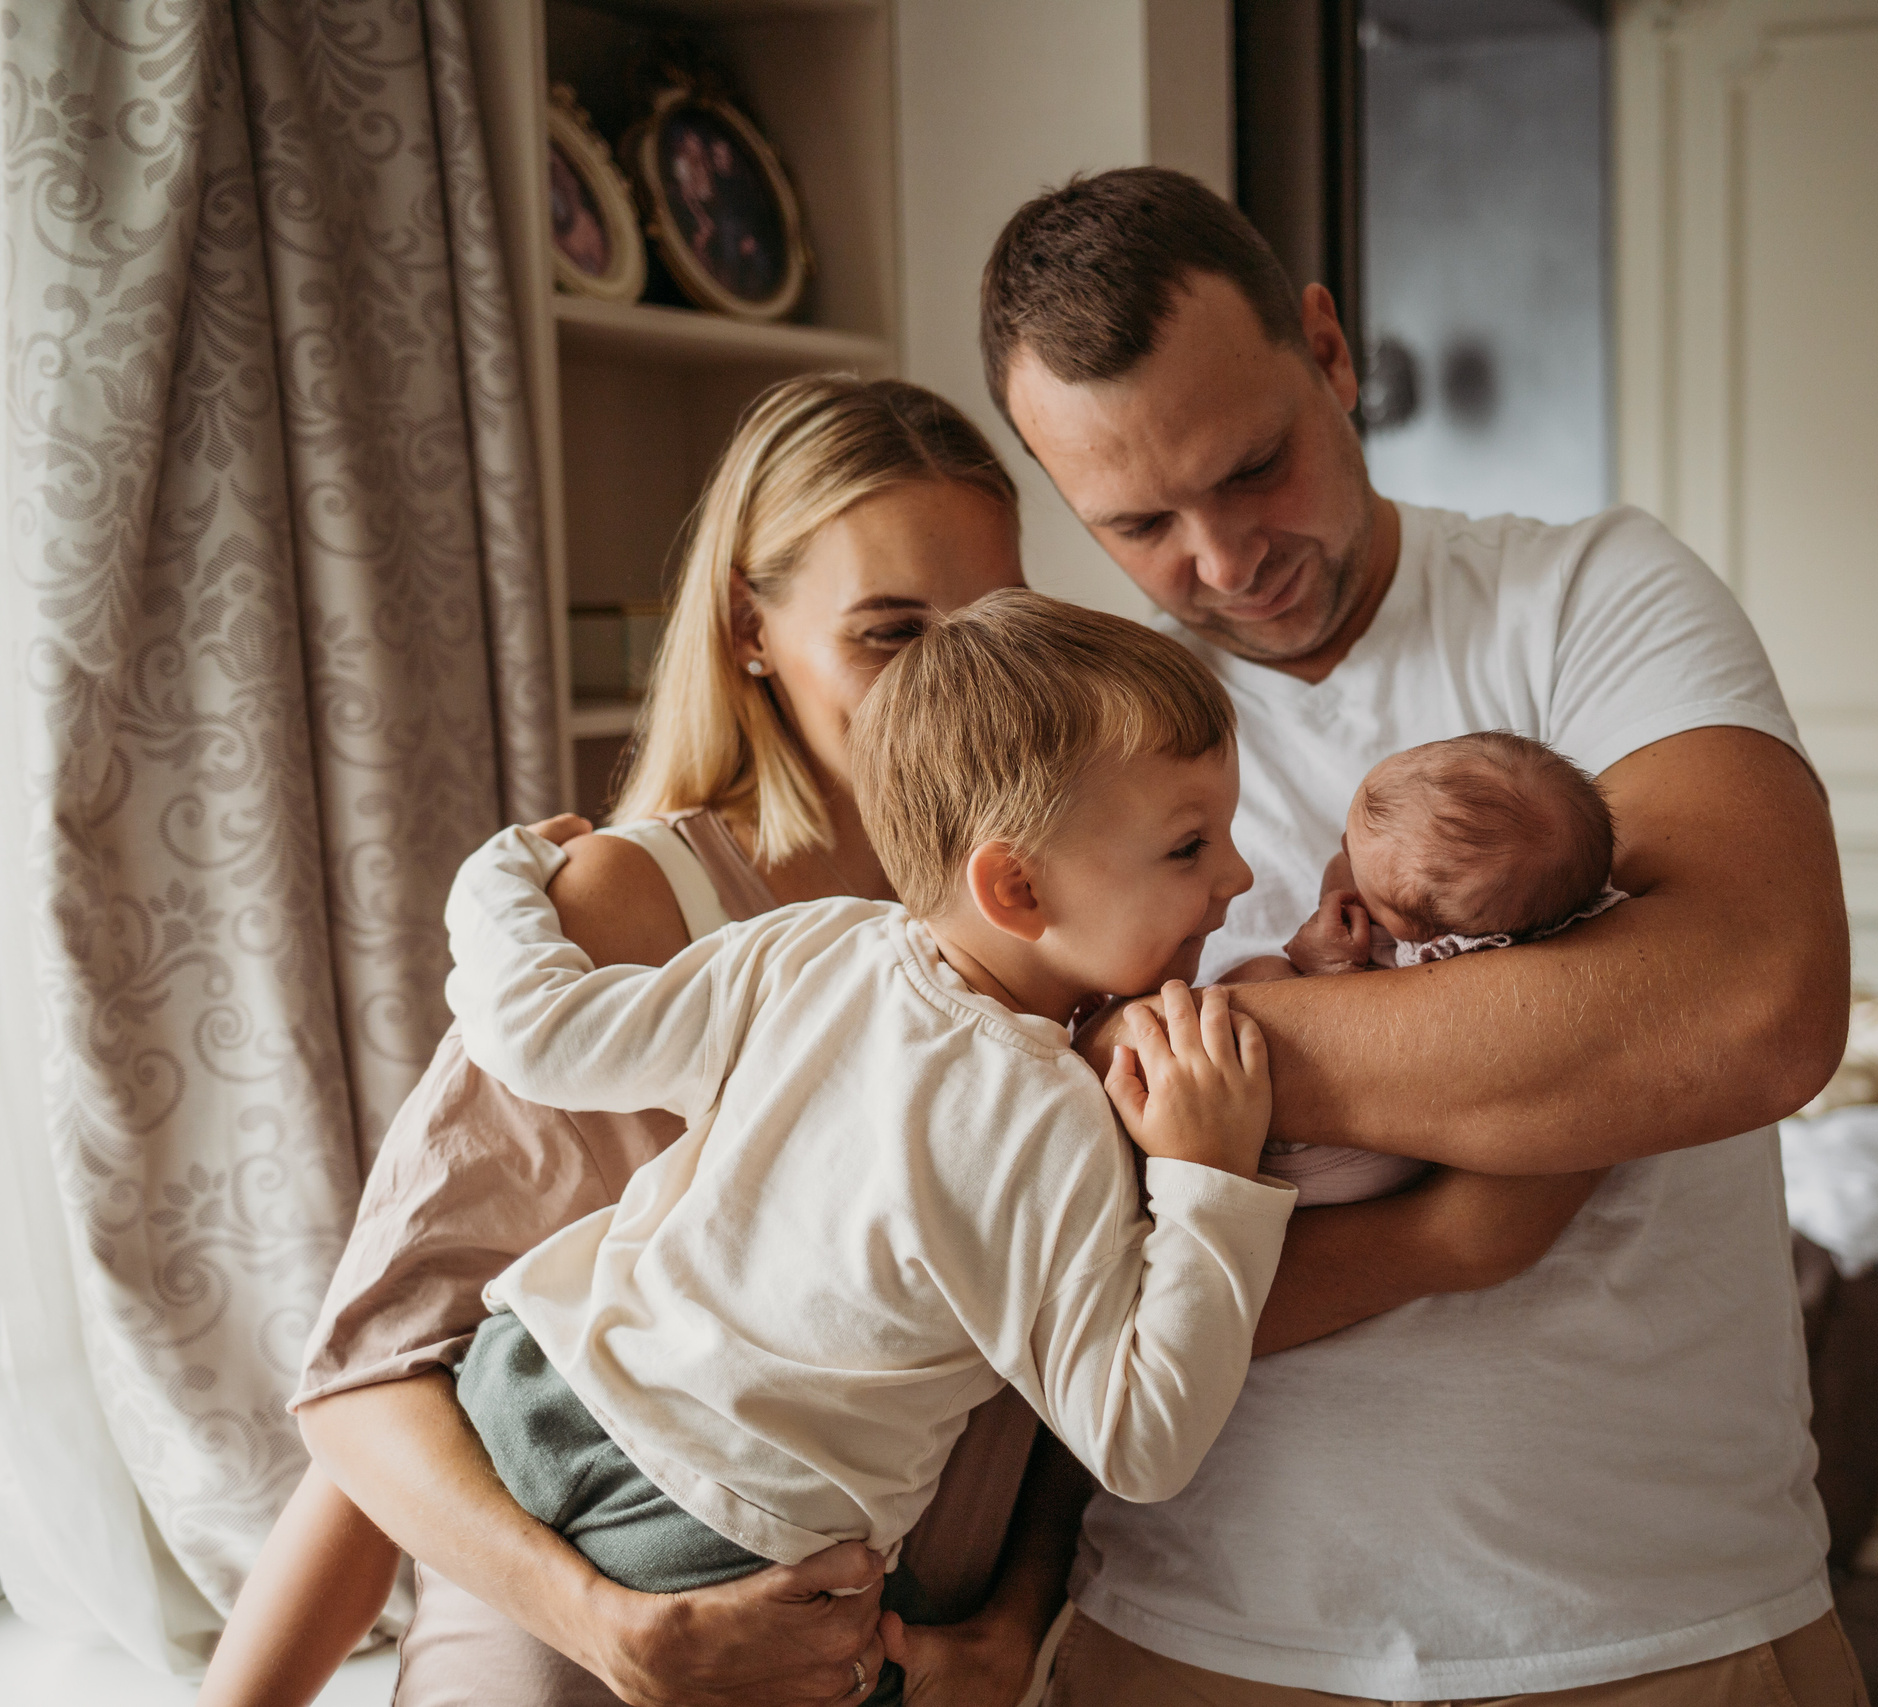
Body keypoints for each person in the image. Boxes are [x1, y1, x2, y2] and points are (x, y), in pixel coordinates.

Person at [217, 369, 1597, 1707]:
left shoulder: (1069, 943)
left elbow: (1074, 1349)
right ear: (751, 629)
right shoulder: (667, 907)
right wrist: (611, 1625)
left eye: (988, 619)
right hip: (614, 1584)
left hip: (882, 1614)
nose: (956, 678)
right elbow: (371, 1381)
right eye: (892, 631)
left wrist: (1016, 1623)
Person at [978, 169, 1866, 1705]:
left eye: (1254, 466)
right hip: (1187, 1627)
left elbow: (1752, 1006)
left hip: (1646, 1614)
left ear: (1326, 348)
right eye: (1138, 523)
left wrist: (1165, 1059)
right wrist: (1456, 1226)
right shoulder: (1076, 733)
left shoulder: (1593, 597)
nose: (1226, 556)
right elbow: (1041, 1230)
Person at [438, 592, 1287, 1626]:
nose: (1238, 877)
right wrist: (1211, 1182)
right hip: (722, 1534)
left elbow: (540, 1036)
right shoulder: (1050, 1119)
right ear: (1014, 886)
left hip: (529, 1383)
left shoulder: (814, 945)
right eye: (1188, 847)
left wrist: (507, 870)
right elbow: (1141, 1442)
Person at [1229, 731, 1624, 1206]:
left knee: (1260, 975)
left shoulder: (1450, 966)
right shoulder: (1529, 897)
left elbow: (1378, 1040)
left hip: (1357, 1151)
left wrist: (1331, 970)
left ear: (1427, 937)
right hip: (1399, 1133)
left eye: (1360, 873)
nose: (1342, 855)